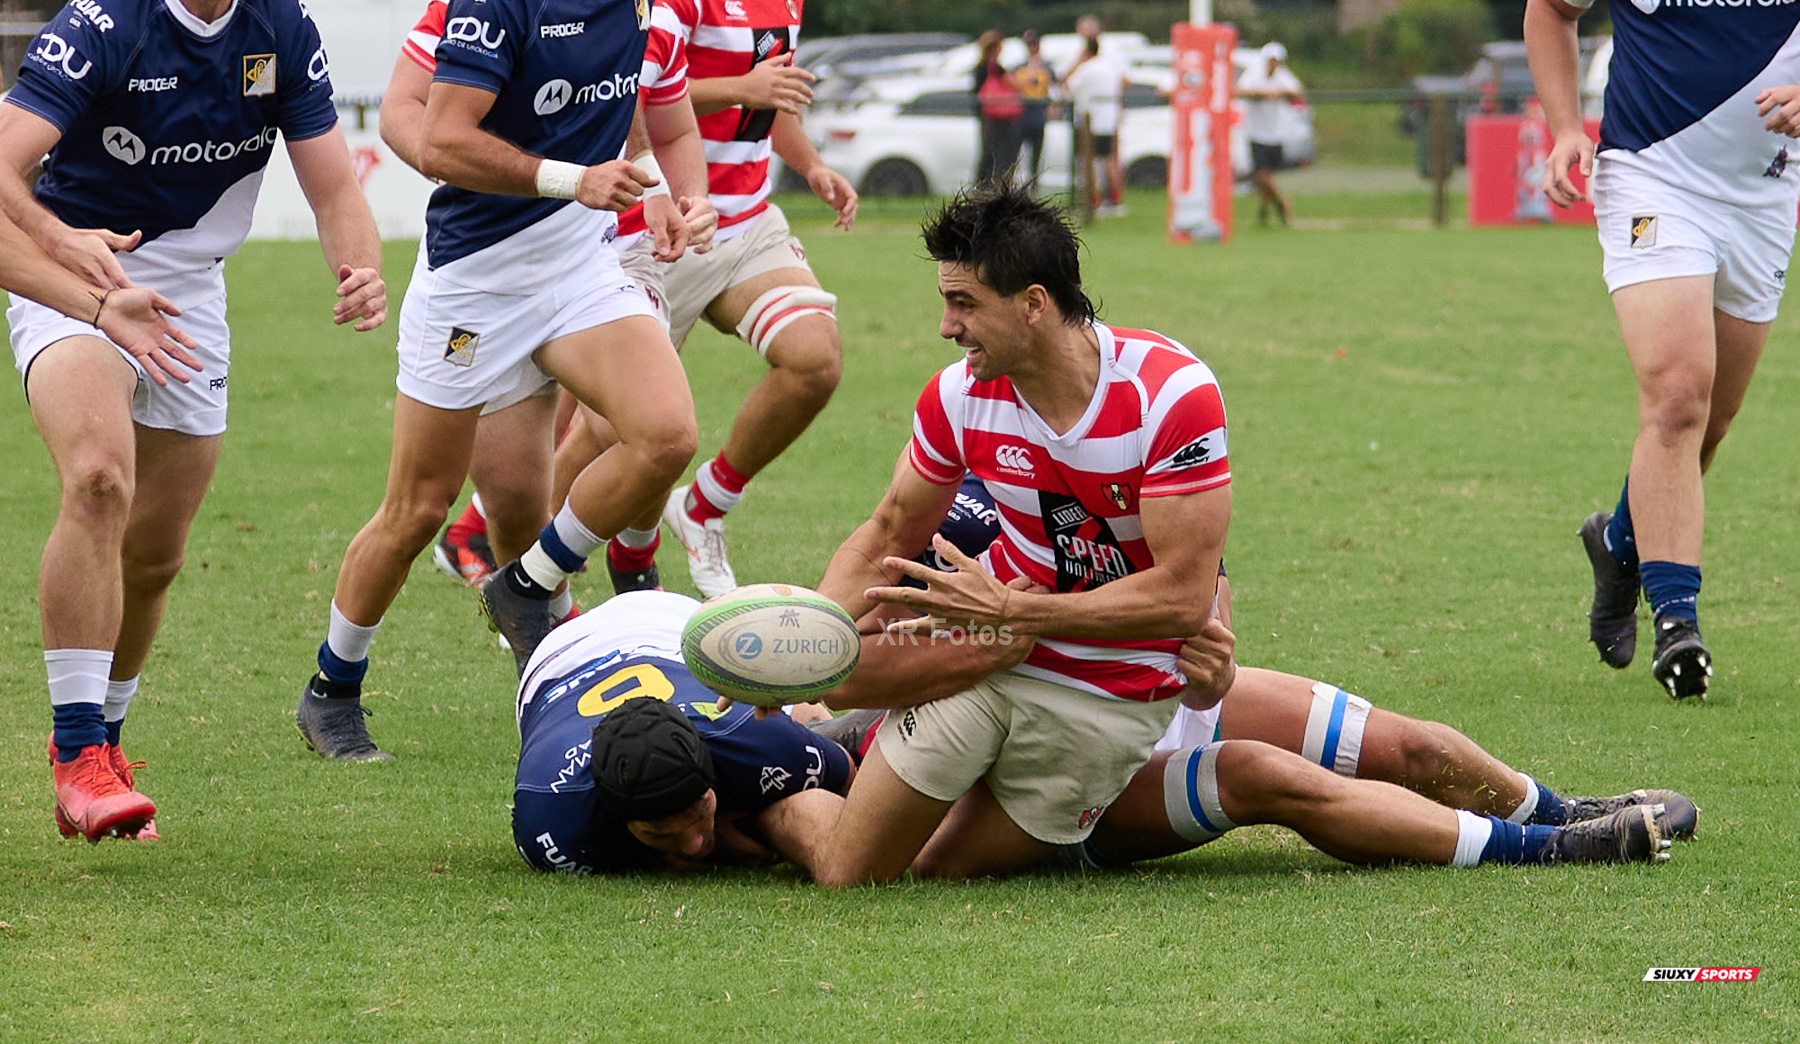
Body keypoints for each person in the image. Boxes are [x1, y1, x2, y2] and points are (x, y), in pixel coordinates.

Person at [0, 0, 386, 840]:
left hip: (189, 299)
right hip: (75, 277)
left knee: (155, 555)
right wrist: (69, 252)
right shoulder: (101, 25)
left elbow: (334, 189)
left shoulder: (280, 30)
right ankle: (76, 758)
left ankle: (104, 743)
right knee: (99, 480)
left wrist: (359, 266)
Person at [792, 184, 1231, 886]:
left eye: (965, 304)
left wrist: (1019, 610)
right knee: (851, 871)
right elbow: (888, 532)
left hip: (1108, 695)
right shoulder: (958, 396)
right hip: (983, 658)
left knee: (938, 871)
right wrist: (801, 646)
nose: (946, 326)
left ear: (1033, 303)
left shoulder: (1171, 394)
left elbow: (1184, 599)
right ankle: (773, 790)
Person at [299, 0, 702, 759]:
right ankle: (332, 689)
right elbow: (443, 141)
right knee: (421, 509)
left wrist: (649, 187)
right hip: (474, 286)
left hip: (580, 269)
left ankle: (528, 599)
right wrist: (570, 179)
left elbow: (625, 101)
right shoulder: (499, 5)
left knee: (666, 433)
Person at [513, 0, 860, 601]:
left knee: (815, 357)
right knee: (613, 429)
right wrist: (739, 86)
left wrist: (812, 165)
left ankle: (703, 508)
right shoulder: (674, 5)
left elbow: (769, 100)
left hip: (743, 223)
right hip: (656, 229)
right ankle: (535, 575)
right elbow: (632, 97)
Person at [378, 0, 715, 606]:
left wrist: (669, 189)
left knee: (647, 426)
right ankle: (534, 599)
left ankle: (606, 567)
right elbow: (410, 115)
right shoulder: (484, 9)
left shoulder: (651, 12)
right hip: (492, 257)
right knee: (509, 499)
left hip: (613, 249)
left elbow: (637, 105)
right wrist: (468, 171)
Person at [1526, 0, 1800, 700]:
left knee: (1709, 422)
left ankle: (1620, 545)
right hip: (1653, 178)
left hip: (1765, 193)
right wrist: (1564, 129)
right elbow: (1551, 11)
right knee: (1679, 397)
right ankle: (1678, 623)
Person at [512, 591, 852, 874]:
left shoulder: (748, 735)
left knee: (798, 722)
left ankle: (831, 730)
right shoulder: (550, 818)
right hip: (558, 662)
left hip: (671, 626)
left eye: (701, 809)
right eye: (658, 833)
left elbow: (847, 775)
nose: (695, 844)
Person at [1237, 43, 1303, 227]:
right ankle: (1282, 203)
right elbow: (1242, 90)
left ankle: (1264, 211)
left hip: (1276, 133)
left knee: (1267, 178)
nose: (1274, 65)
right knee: (1262, 176)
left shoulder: (1283, 76)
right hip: (1256, 133)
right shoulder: (1254, 74)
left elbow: (1296, 90)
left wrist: (1280, 93)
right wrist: (1265, 95)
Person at [1064, 36, 1126, 218]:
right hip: (1109, 119)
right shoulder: (1108, 67)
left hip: (1091, 121)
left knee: (1088, 160)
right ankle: (1116, 200)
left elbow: (1068, 85)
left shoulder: (1086, 68)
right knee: (1109, 159)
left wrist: (1077, 63)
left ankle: (1095, 200)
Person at [973, 30, 1022, 186]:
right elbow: (1015, 85)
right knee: (999, 152)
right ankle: (994, 184)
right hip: (997, 117)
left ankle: (983, 184)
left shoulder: (980, 68)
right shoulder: (994, 68)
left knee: (990, 152)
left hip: (989, 116)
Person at [1014, 31, 1055, 186]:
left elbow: (1054, 88)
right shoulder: (1020, 67)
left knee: (1036, 153)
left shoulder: (1047, 67)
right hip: (1022, 114)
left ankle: (1033, 183)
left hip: (1038, 115)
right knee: (1017, 150)